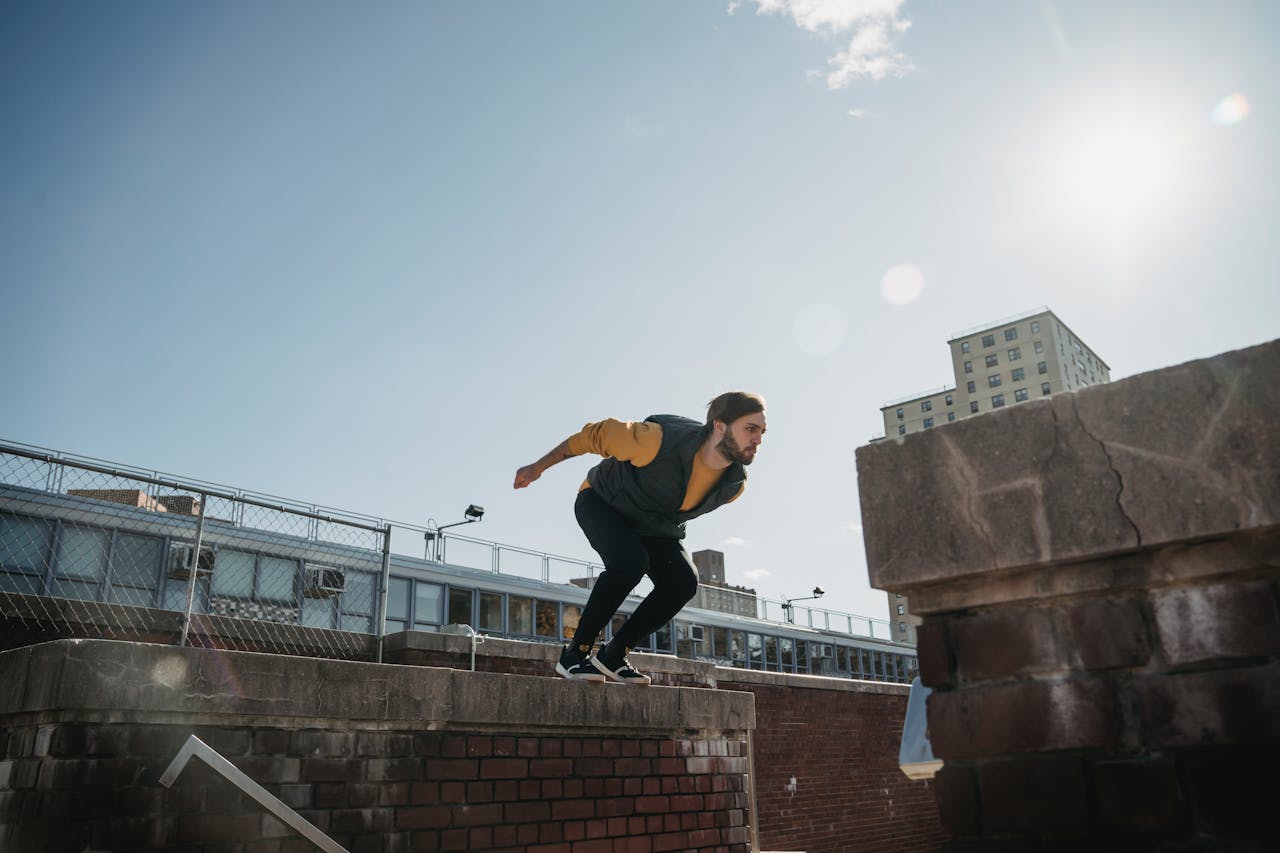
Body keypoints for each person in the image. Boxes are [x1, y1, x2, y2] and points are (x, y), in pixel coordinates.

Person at [513, 391, 766, 685]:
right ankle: (574, 656)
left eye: (762, 432)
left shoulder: (733, 484)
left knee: (683, 581)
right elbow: (591, 436)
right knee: (629, 563)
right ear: (720, 426)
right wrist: (537, 467)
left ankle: (613, 655)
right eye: (750, 429)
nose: (758, 439)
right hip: (603, 502)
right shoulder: (654, 440)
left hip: (652, 523)